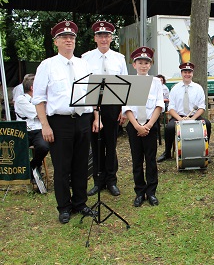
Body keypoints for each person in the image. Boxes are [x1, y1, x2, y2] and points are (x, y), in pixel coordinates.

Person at [32, 20, 100, 224]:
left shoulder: (83, 64)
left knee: (81, 164)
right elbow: (39, 98)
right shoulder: (47, 65)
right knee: (62, 166)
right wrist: (45, 125)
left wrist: (96, 117)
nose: (69, 40)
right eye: (64, 37)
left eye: (72, 37)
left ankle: (80, 202)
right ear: (56, 42)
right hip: (59, 122)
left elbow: (93, 93)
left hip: (83, 119)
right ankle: (64, 207)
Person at [82, 21, 128, 197]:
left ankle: (111, 180)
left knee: (111, 143)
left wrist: (123, 109)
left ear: (111, 38)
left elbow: (125, 86)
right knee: (96, 144)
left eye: (107, 35)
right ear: (95, 38)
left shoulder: (119, 58)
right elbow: (85, 85)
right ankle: (97, 181)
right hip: (93, 107)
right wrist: (94, 112)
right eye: (100, 35)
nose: (103, 38)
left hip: (113, 106)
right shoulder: (86, 58)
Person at [123, 47, 164, 207]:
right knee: (137, 160)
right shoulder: (129, 82)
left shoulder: (155, 82)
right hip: (134, 126)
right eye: (140, 62)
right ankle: (139, 192)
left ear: (150, 65)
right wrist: (137, 126)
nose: (143, 65)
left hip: (150, 125)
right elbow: (127, 108)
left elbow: (159, 105)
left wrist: (148, 125)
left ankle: (151, 192)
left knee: (151, 159)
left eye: (146, 63)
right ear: (134, 65)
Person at [157, 62, 212, 162]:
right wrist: (180, 119)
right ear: (181, 73)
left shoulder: (198, 88)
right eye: (185, 72)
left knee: (207, 124)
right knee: (169, 128)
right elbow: (171, 108)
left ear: (192, 73)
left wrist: (192, 119)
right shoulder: (175, 89)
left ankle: (205, 151)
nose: (187, 74)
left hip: (194, 116)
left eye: (189, 72)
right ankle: (167, 152)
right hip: (179, 116)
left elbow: (201, 107)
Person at [14, 74, 50, 182]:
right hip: (24, 131)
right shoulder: (21, 99)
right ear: (32, 88)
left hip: (38, 130)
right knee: (20, 149)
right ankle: (28, 171)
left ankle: (32, 167)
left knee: (43, 147)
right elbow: (39, 114)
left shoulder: (41, 99)